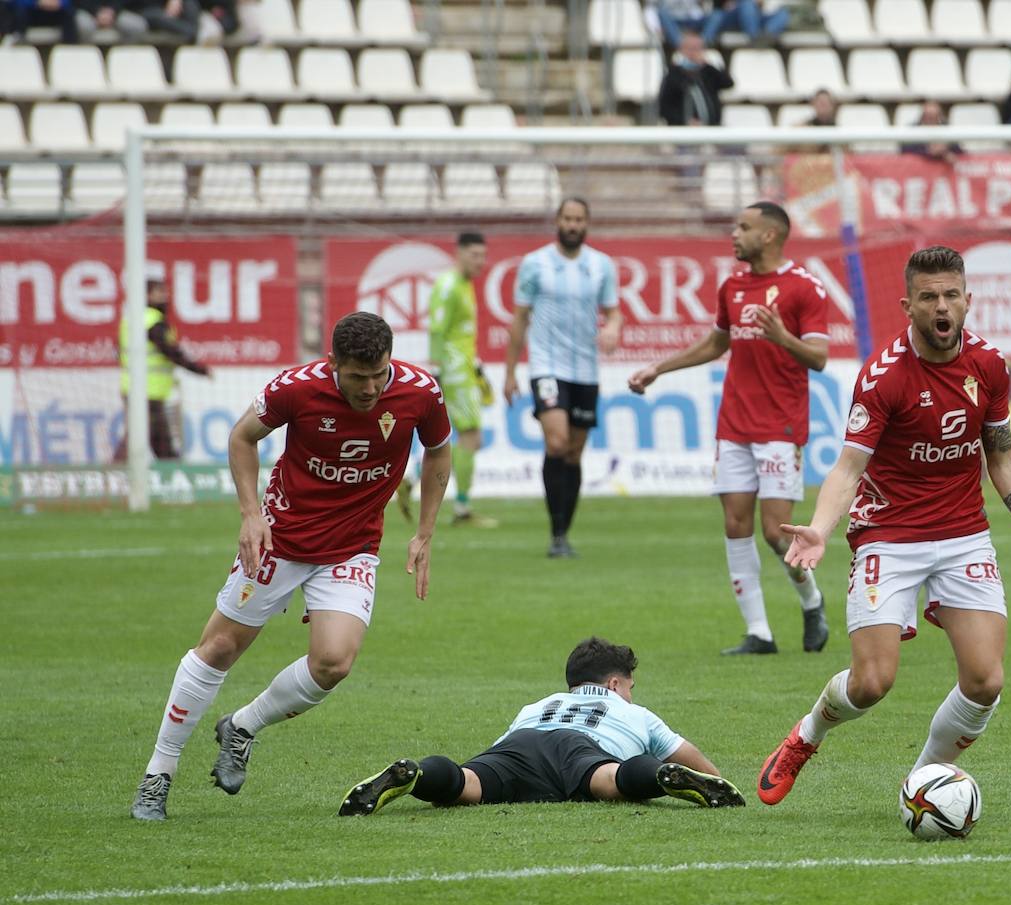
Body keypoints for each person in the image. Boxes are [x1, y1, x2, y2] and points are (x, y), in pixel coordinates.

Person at [755, 245, 1011, 806]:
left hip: (963, 535)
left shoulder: (989, 366)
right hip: (888, 535)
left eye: (951, 295)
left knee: (986, 681)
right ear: (907, 306)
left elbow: (1003, 457)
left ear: (967, 300)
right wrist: (820, 526)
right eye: (928, 297)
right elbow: (849, 466)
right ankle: (806, 736)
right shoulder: (882, 377)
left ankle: (923, 781)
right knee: (872, 683)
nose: (942, 306)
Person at [130, 313, 453, 821]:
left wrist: (425, 532)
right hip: (280, 539)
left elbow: (438, 453)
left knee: (334, 663)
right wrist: (250, 515)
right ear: (333, 365)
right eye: (356, 378)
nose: (369, 389)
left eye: (378, 375)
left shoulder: (420, 393)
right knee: (217, 648)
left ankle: (241, 727)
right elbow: (241, 437)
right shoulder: (296, 388)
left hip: (352, 547)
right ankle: (158, 774)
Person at [628, 202, 830, 656]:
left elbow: (818, 357)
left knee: (778, 533)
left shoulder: (804, 288)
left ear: (771, 236)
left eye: (744, 227)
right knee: (735, 523)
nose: (734, 235)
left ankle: (812, 601)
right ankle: (759, 632)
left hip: (780, 424)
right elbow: (718, 341)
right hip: (734, 423)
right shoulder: (733, 286)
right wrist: (659, 368)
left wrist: (782, 337)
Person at [338, 637, 746, 814]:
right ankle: (662, 778)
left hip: (520, 744)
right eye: (630, 687)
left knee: (466, 783)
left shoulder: (540, 703)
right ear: (615, 683)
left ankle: (418, 774)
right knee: (611, 780)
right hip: (580, 747)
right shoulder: (634, 712)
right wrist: (718, 781)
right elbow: (685, 751)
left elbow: (502, 747)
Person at [503, 198, 622, 559]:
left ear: (586, 224)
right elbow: (520, 319)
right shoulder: (535, 264)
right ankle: (556, 533)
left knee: (574, 451)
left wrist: (613, 329)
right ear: (557, 221)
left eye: (579, 219)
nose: (572, 225)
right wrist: (510, 372)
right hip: (547, 365)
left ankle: (563, 533)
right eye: (567, 218)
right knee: (556, 442)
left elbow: (614, 311)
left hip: (585, 369)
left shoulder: (601, 265)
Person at [397, 232, 497, 527]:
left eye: (483, 255)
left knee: (457, 437)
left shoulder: (465, 286)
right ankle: (462, 510)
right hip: (454, 371)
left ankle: (412, 479)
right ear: (460, 253)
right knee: (470, 436)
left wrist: (476, 366)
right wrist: (437, 370)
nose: (480, 262)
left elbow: (460, 332)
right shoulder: (449, 285)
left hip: (464, 367)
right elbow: (438, 330)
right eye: (474, 255)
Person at [114, 278, 211, 463]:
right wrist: (198, 369)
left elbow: (119, 352)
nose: (164, 297)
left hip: (137, 388)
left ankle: (169, 471)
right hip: (146, 389)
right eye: (158, 293)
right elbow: (170, 352)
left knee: (147, 436)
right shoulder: (152, 321)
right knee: (153, 438)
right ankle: (116, 474)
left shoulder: (131, 319)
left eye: (164, 292)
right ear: (145, 296)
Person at [658, 30, 734, 126]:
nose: (694, 53)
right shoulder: (673, 74)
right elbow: (664, 108)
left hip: (712, 130)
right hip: (684, 132)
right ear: (682, 50)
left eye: (698, 48)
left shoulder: (708, 72)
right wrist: (685, 121)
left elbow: (728, 83)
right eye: (691, 48)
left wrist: (707, 65)